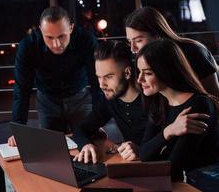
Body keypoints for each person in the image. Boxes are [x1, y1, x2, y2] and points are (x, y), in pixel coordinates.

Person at [125, 6, 219, 164]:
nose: (133, 49)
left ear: (158, 35)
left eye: (138, 40)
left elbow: (215, 100)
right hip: (192, 111)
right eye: (129, 42)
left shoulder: (192, 51)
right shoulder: (151, 60)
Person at [136, 39, 219, 191]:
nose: (139, 79)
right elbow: (144, 154)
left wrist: (159, 147)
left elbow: (174, 167)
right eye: (139, 72)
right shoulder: (159, 103)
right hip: (194, 184)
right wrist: (169, 131)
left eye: (147, 73)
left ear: (167, 71)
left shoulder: (200, 104)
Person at [72, 40, 208, 164]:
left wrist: (141, 151)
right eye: (99, 77)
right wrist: (86, 145)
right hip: (136, 164)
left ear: (127, 73)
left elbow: (171, 156)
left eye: (108, 77)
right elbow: (81, 129)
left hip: (160, 168)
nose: (101, 84)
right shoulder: (110, 99)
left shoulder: (155, 98)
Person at [8, 6, 101, 146]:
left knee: (89, 145)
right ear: (40, 30)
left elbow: (97, 81)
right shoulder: (28, 46)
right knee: (52, 151)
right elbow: (22, 88)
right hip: (47, 102)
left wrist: (98, 119)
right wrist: (18, 127)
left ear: (71, 28)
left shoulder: (86, 40)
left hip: (80, 100)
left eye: (61, 36)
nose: (56, 44)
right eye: (49, 37)